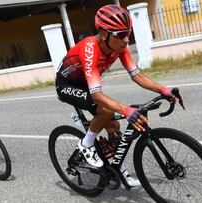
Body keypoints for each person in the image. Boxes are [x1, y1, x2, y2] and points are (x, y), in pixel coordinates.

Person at [55, 4, 183, 187]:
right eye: (121, 35)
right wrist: (126, 109)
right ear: (105, 34)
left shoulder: (119, 47)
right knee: (106, 111)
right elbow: (97, 95)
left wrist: (162, 89)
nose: (126, 40)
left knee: (114, 127)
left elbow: (136, 74)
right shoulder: (90, 49)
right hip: (67, 85)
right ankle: (86, 144)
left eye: (128, 33)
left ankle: (116, 167)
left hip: (86, 83)